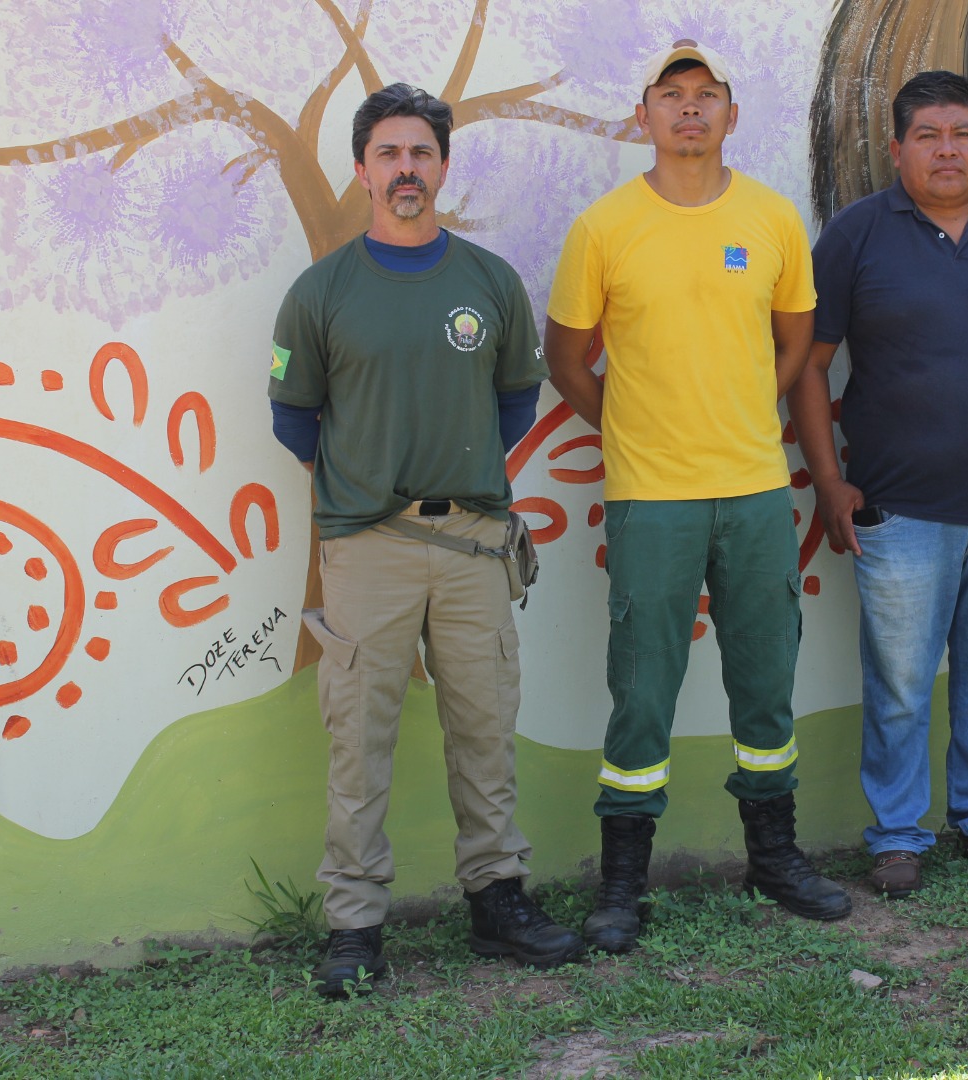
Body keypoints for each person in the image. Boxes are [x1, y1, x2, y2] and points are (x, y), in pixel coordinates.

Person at [268, 83, 581, 996]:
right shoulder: (321, 291)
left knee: (485, 727)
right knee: (358, 736)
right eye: (389, 155)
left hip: (477, 545)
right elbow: (296, 418)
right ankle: (355, 925)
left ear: (444, 165)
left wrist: (457, 469)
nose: (407, 170)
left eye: (422, 153)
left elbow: (514, 401)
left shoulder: (486, 282)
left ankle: (498, 899)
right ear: (363, 170)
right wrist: (368, 485)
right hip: (366, 546)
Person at [544, 40, 850, 953]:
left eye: (705, 95)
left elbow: (796, 339)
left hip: (757, 487)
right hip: (652, 495)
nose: (688, 109)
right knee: (641, 688)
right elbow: (566, 361)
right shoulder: (604, 227)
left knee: (767, 681)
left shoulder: (771, 219)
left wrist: (753, 404)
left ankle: (776, 858)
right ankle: (622, 885)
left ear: (730, 115)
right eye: (670, 96)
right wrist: (631, 423)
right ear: (643, 117)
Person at [788, 70, 968, 898]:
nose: (946, 149)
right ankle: (897, 836)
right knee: (899, 687)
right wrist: (829, 479)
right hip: (899, 511)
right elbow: (808, 370)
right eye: (927, 135)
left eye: (961, 133)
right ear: (896, 149)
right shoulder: (856, 236)